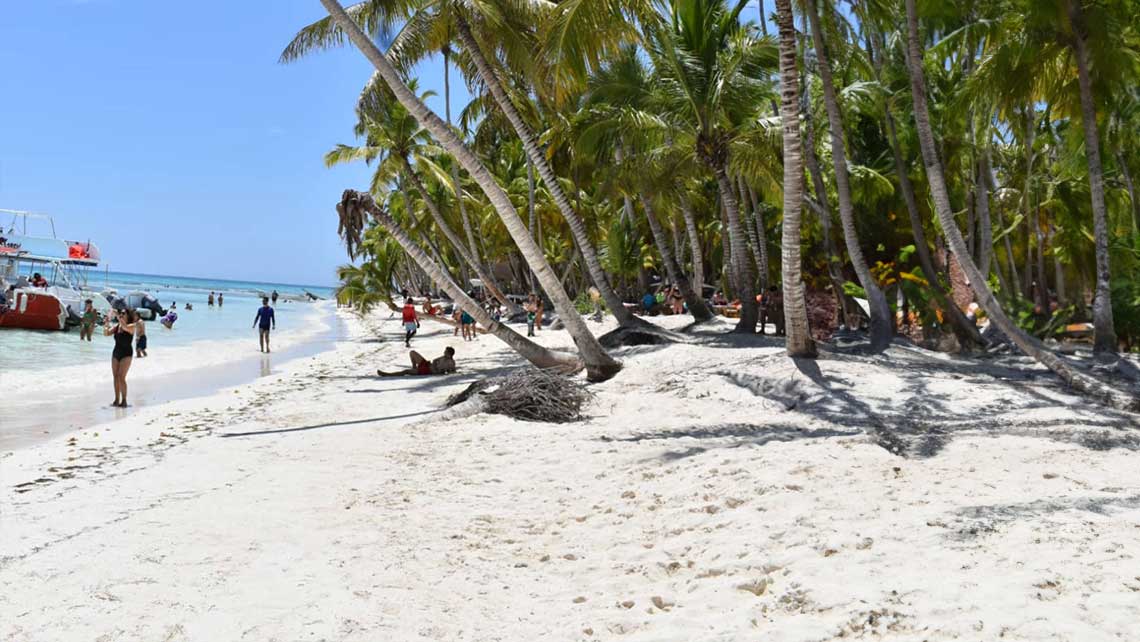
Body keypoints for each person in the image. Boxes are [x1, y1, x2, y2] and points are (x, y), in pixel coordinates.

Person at [104, 308, 137, 407]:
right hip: (116, 352)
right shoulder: (117, 326)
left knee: (121, 377)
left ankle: (124, 400)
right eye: (120, 313)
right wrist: (106, 323)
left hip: (126, 354)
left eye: (123, 313)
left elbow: (125, 327)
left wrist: (117, 315)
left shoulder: (131, 326)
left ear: (128, 315)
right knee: (115, 377)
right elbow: (106, 333)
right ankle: (116, 400)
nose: (121, 315)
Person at [377, 347, 457, 377]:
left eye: (446, 352)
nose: (444, 353)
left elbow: (452, 371)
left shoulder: (451, 362)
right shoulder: (443, 357)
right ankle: (414, 367)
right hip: (427, 365)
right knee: (412, 352)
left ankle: (388, 374)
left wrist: (439, 371)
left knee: (406, 371)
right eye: (444, 351)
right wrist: (436, 363)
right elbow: (434, 360)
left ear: (450, 354)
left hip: (428, 370)